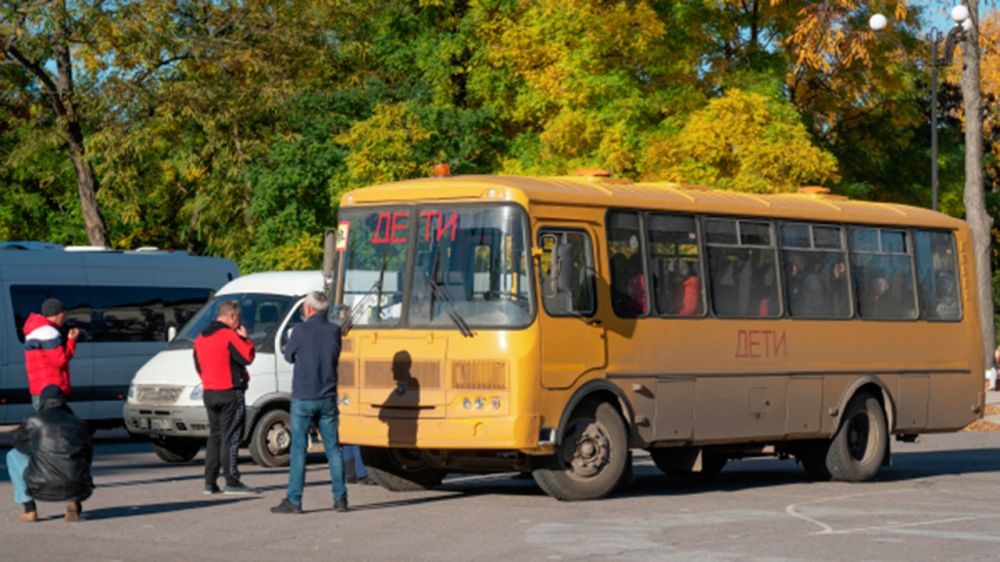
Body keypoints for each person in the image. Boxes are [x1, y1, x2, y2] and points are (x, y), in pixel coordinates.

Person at [271, 291, 349, 514]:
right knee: (333, 449)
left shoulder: (300, 330)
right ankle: (340, 498)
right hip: (327, 396)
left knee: (298, 450)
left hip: (304, 396)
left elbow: (288, 356)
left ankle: (294, 500)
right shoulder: (334, 331)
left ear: (308, 309)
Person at [193, 300, 256, 495]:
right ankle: (232, 480)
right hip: (230, 391)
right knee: (231, 437)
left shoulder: (200, 337)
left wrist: (208, 381)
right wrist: (246, 338)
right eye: (238, 319)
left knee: (215, 437)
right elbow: (247, 357)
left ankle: (210, 482)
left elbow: (198, 365)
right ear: (232, 317)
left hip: (210, 391)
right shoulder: (229, 335)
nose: (239, 323)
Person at [6, 384, 93, 522]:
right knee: (79, 458)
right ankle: (74, 501)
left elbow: (19, 444)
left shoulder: (33, 420)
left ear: (42, 401)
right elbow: (88, 456)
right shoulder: (79, 422)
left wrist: (37, 450)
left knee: (12, 455)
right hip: (77, 486)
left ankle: (29, 509)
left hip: (39, 485)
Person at [24, 298, 80, 410]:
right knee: (55, 424)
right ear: (59, 314)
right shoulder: (48, 332)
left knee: (43, 423)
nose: (64, 319)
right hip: (51, 389)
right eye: (64, 315)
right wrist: (71, 341)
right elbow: (60, 360)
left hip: (39, 387)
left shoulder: (35, 330)